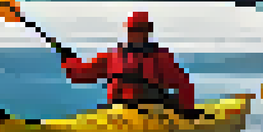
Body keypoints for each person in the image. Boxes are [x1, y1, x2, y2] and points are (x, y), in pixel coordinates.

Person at [60, 11, 200, 118]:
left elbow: (183, 84)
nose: (135, 34)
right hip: (122, 111)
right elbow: (80, 75)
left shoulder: (157, 57)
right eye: (134, 30)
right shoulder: (114, 55)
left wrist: (186, 111)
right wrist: (70, 60)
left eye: (137, 30)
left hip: (149, 112)